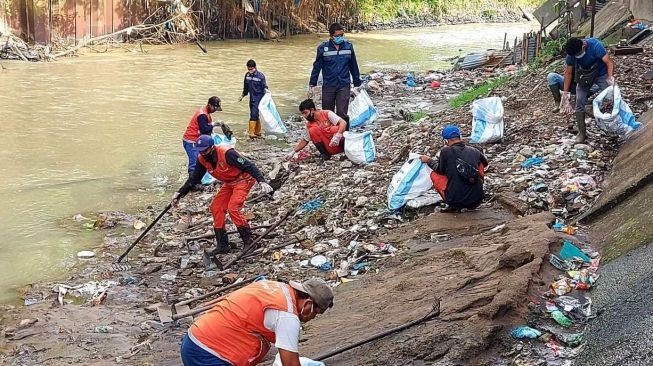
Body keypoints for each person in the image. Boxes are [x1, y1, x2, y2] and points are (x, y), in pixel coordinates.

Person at [180, 278, 334, 366]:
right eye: (316, 313)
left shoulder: (276, 288)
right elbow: (291, 365)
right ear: (308, 304)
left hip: (196, 339)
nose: (312, 318)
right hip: (208, 354)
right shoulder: (287, 316)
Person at [172, 135, 273, 261]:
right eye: (200, 151)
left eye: (205, 150)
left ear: (212, 147)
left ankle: (249, 241)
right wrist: (179, 194)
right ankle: (223, 244)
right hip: (229, 183)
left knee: (233, 208)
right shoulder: (202, 159)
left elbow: (249, 165)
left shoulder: (227, 153)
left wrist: (261, 181)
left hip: (243, 180)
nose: (203, 153)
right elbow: (194, 179)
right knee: (216, 207)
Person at [420, 125, 488, 211]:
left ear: (446, 141)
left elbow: (440, 170)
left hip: (455, 201)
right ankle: (477, 189)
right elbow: (484, 164)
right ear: (460, 137)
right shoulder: (474, 150)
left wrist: (428, 160)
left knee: (434, 174)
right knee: (480, 163)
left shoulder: (446, 151)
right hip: (476, 200)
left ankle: (451, 202)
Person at [561, 37, 615, 143]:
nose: (577, 56)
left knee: (612, 96)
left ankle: (617, 123)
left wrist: (610, 77)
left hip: (601, 74)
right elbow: (568, 73)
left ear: (583, 45)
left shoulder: (595, 46)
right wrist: (565, 96)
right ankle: (582, 133)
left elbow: (609, 62)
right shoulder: (571, 55)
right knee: (579, 103)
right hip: (584, 77)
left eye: (578, 53)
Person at [308, 22, 361, 120]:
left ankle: (343, 133)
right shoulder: (323, 48)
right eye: (337, 36)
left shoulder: (348, 47)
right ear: (331, 36)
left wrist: (357, 83)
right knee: (328, 114)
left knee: (342, 113)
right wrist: (312, 84)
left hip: (344, 84)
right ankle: (330, 134)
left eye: (342, 35)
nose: (340, 37)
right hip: (329, 85)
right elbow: (317, 67)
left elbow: (353, 65)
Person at [182, 96, 222, 175]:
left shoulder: (206, 112)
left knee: (201, 159)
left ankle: (198, 176)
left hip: (197, 140)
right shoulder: (202, 115)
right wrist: (214, 124)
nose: (215, 111)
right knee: (194, 161)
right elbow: (204, 130)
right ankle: (192, 180)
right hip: (191, 140)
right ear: (209, 105)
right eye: (214, 108)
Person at [239, 60, 268, 139]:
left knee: (253, 115)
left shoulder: (260, 76)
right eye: (248, 69)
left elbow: (265, 87)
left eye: (251, 69)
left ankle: (251, 133)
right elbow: (246, 87)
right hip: (251, 97)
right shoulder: (247, 75)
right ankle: (257, 132)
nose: (250, 71)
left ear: (255, 68)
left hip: (259, 98)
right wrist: (242, 95)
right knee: (254, 114)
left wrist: (266, 97)